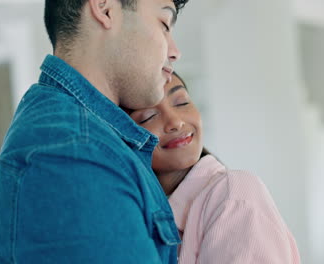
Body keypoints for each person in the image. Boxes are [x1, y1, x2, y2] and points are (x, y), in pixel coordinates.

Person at [0, 0, 189, 263]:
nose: (175, 52)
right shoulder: (75, 152)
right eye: (164, 24)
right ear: (104, 9)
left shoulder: (82, 140)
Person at [129, 72, 301, 264]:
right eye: (148, 117)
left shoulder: (233, 193)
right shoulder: (140, 214)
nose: (176, 122)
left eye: (182, 102)